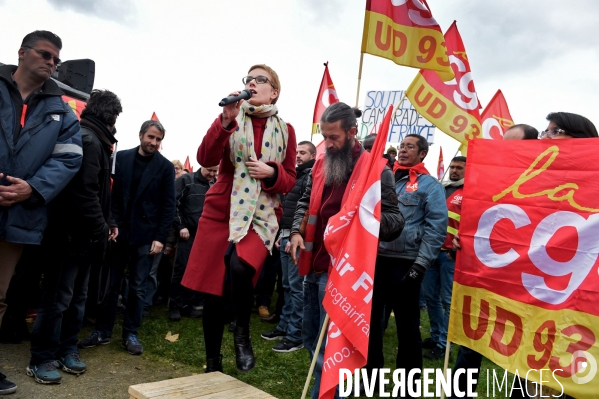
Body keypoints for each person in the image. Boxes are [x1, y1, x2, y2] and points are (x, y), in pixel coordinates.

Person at [181, 64, 297, 373]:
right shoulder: (231, 118)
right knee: (213, 293)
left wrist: (272, 172)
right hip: (222, 209)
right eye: (248, 79)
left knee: (238, 265)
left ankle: (242, 336)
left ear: (274, 91)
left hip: (262, 211)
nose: (252, 83)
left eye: (261, 79)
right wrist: (225, 120)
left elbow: (290, 179)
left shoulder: (286, 129)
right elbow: (205, 158)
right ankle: (212, 363)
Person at [289, 102, 405, 399]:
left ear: (352, 132)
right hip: (313, 265)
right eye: (324, 137)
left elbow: (395, 221)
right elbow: (306, 201)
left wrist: (363, 220)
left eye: (333, 138)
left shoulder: (376, 170)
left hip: (343, 274)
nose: (327, 145)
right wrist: (295, 233)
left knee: (332, 352)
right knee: (311, 342)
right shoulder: (320, 162)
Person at [0, 30, 82, 394]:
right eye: (45, 54)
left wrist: (32, 189)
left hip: (19, 214)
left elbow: (68, 159)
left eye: (56, 59)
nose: (51, 62)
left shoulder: (62, 111)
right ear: (22, 52)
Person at [26, 90, 122, 384]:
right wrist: (101, 229)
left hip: (83, 239)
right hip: (69, 238)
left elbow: (101, 191)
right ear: (110, 115)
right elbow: (84, 194)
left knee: (77, 299)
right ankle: (42, 357)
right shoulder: (90, 140)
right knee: (58, 300)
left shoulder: (97, 140)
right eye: (116, 117)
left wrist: (109, 222)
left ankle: (67, 350)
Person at [79, 120, 176, 355]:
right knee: (110, 285)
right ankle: (102, 331)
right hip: (118, 232)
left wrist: (160, 238)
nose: (154, 142)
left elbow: (168, 205)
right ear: (141, 135)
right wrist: (110, 222)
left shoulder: (165, 167)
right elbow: (110, 194)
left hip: (145, 236)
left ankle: (130, 333)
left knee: (138, 288)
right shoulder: (120, 158)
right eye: (151, 137)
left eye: (158, 140)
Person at [368, 134, 447, 397]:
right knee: (372, 323)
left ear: (422, 154)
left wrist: (421, 265)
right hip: (377, 259)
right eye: (401, 146)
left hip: (406, 265)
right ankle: (372, 377)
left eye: (409, 147)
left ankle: (409, 385)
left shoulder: (430, 186)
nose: (402, 150)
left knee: (408, 326)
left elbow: (436, 229)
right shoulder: (386, 178)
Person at [261, 141, 316, 352]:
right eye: (297, 152)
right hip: (284, 235)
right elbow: (287, 209)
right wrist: (281, 234)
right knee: (285, 286)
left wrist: (295, 235)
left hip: (297, 239)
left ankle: (297, 334)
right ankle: (284, 327)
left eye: (303, 153)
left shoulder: (311, 176)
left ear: (313, 155)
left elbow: (305, 210)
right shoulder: (294, 176)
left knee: (296, 287)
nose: (298, 156)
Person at [421, 156, 466, 360]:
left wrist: (454, 252)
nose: (454, 171)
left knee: (448, 300)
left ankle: (444, 343)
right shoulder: (440, 188)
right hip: (432, 252)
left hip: (450, 256)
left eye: (459, 168)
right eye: (453, 167)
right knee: (431, 298)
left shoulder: (470, 193)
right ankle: (435, 335)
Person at [168, 164, 218, 321]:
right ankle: (175, 306)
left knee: (198, 271)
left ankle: (189, 305)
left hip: (206, 236)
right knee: (181, 269)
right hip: (187, 234)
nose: (212, 173)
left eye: (215, 170)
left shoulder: (216, 184)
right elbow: (174, 205)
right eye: (210, 169)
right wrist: (181, 226)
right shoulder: (186, 180)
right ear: (203, 165)